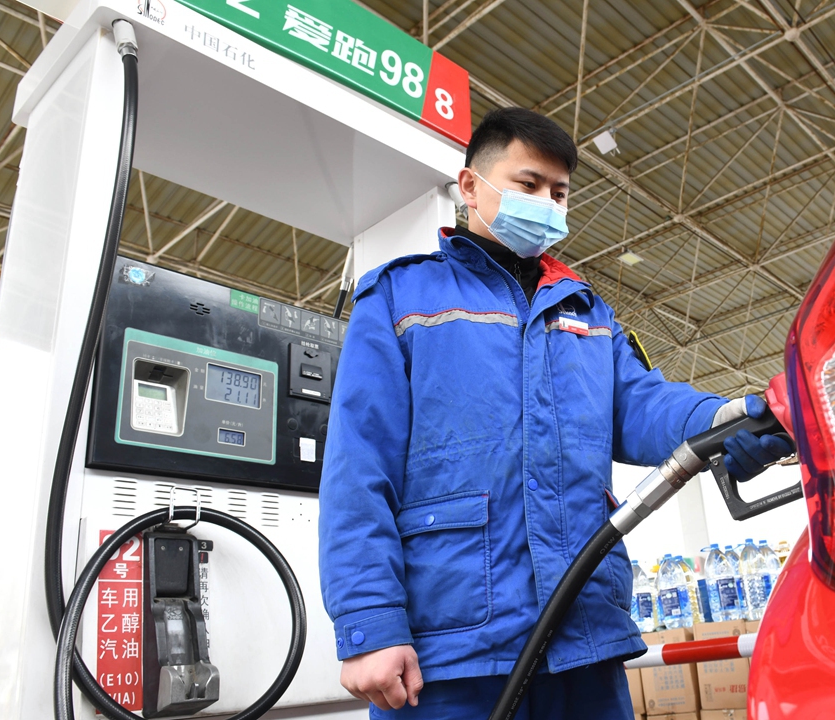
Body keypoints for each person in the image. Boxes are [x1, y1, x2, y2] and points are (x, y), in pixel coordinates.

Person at [318, 107, 791, 719]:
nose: (547, 203)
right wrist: (371, 625)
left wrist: (734, 418)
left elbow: (644, 406)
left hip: (583, 635)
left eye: (559, 192)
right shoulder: (401, 299)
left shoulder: (589, 314)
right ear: (470, 187)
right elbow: (358, 469)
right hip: (453, 647)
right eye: (528, 184)